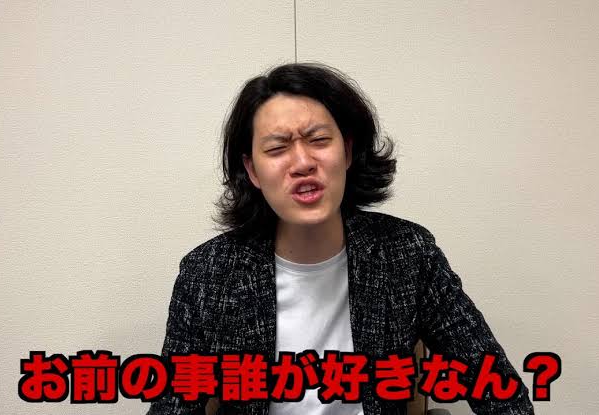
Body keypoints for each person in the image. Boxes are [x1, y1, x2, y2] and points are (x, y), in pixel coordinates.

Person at [147, 63, 534, 415]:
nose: (302, 163)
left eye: (318, 140)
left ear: (347, 151)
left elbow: (499, 390)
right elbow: (172, 406)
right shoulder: (208, 274)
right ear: (252, 170)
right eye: (277, 148)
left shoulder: (407, 254)